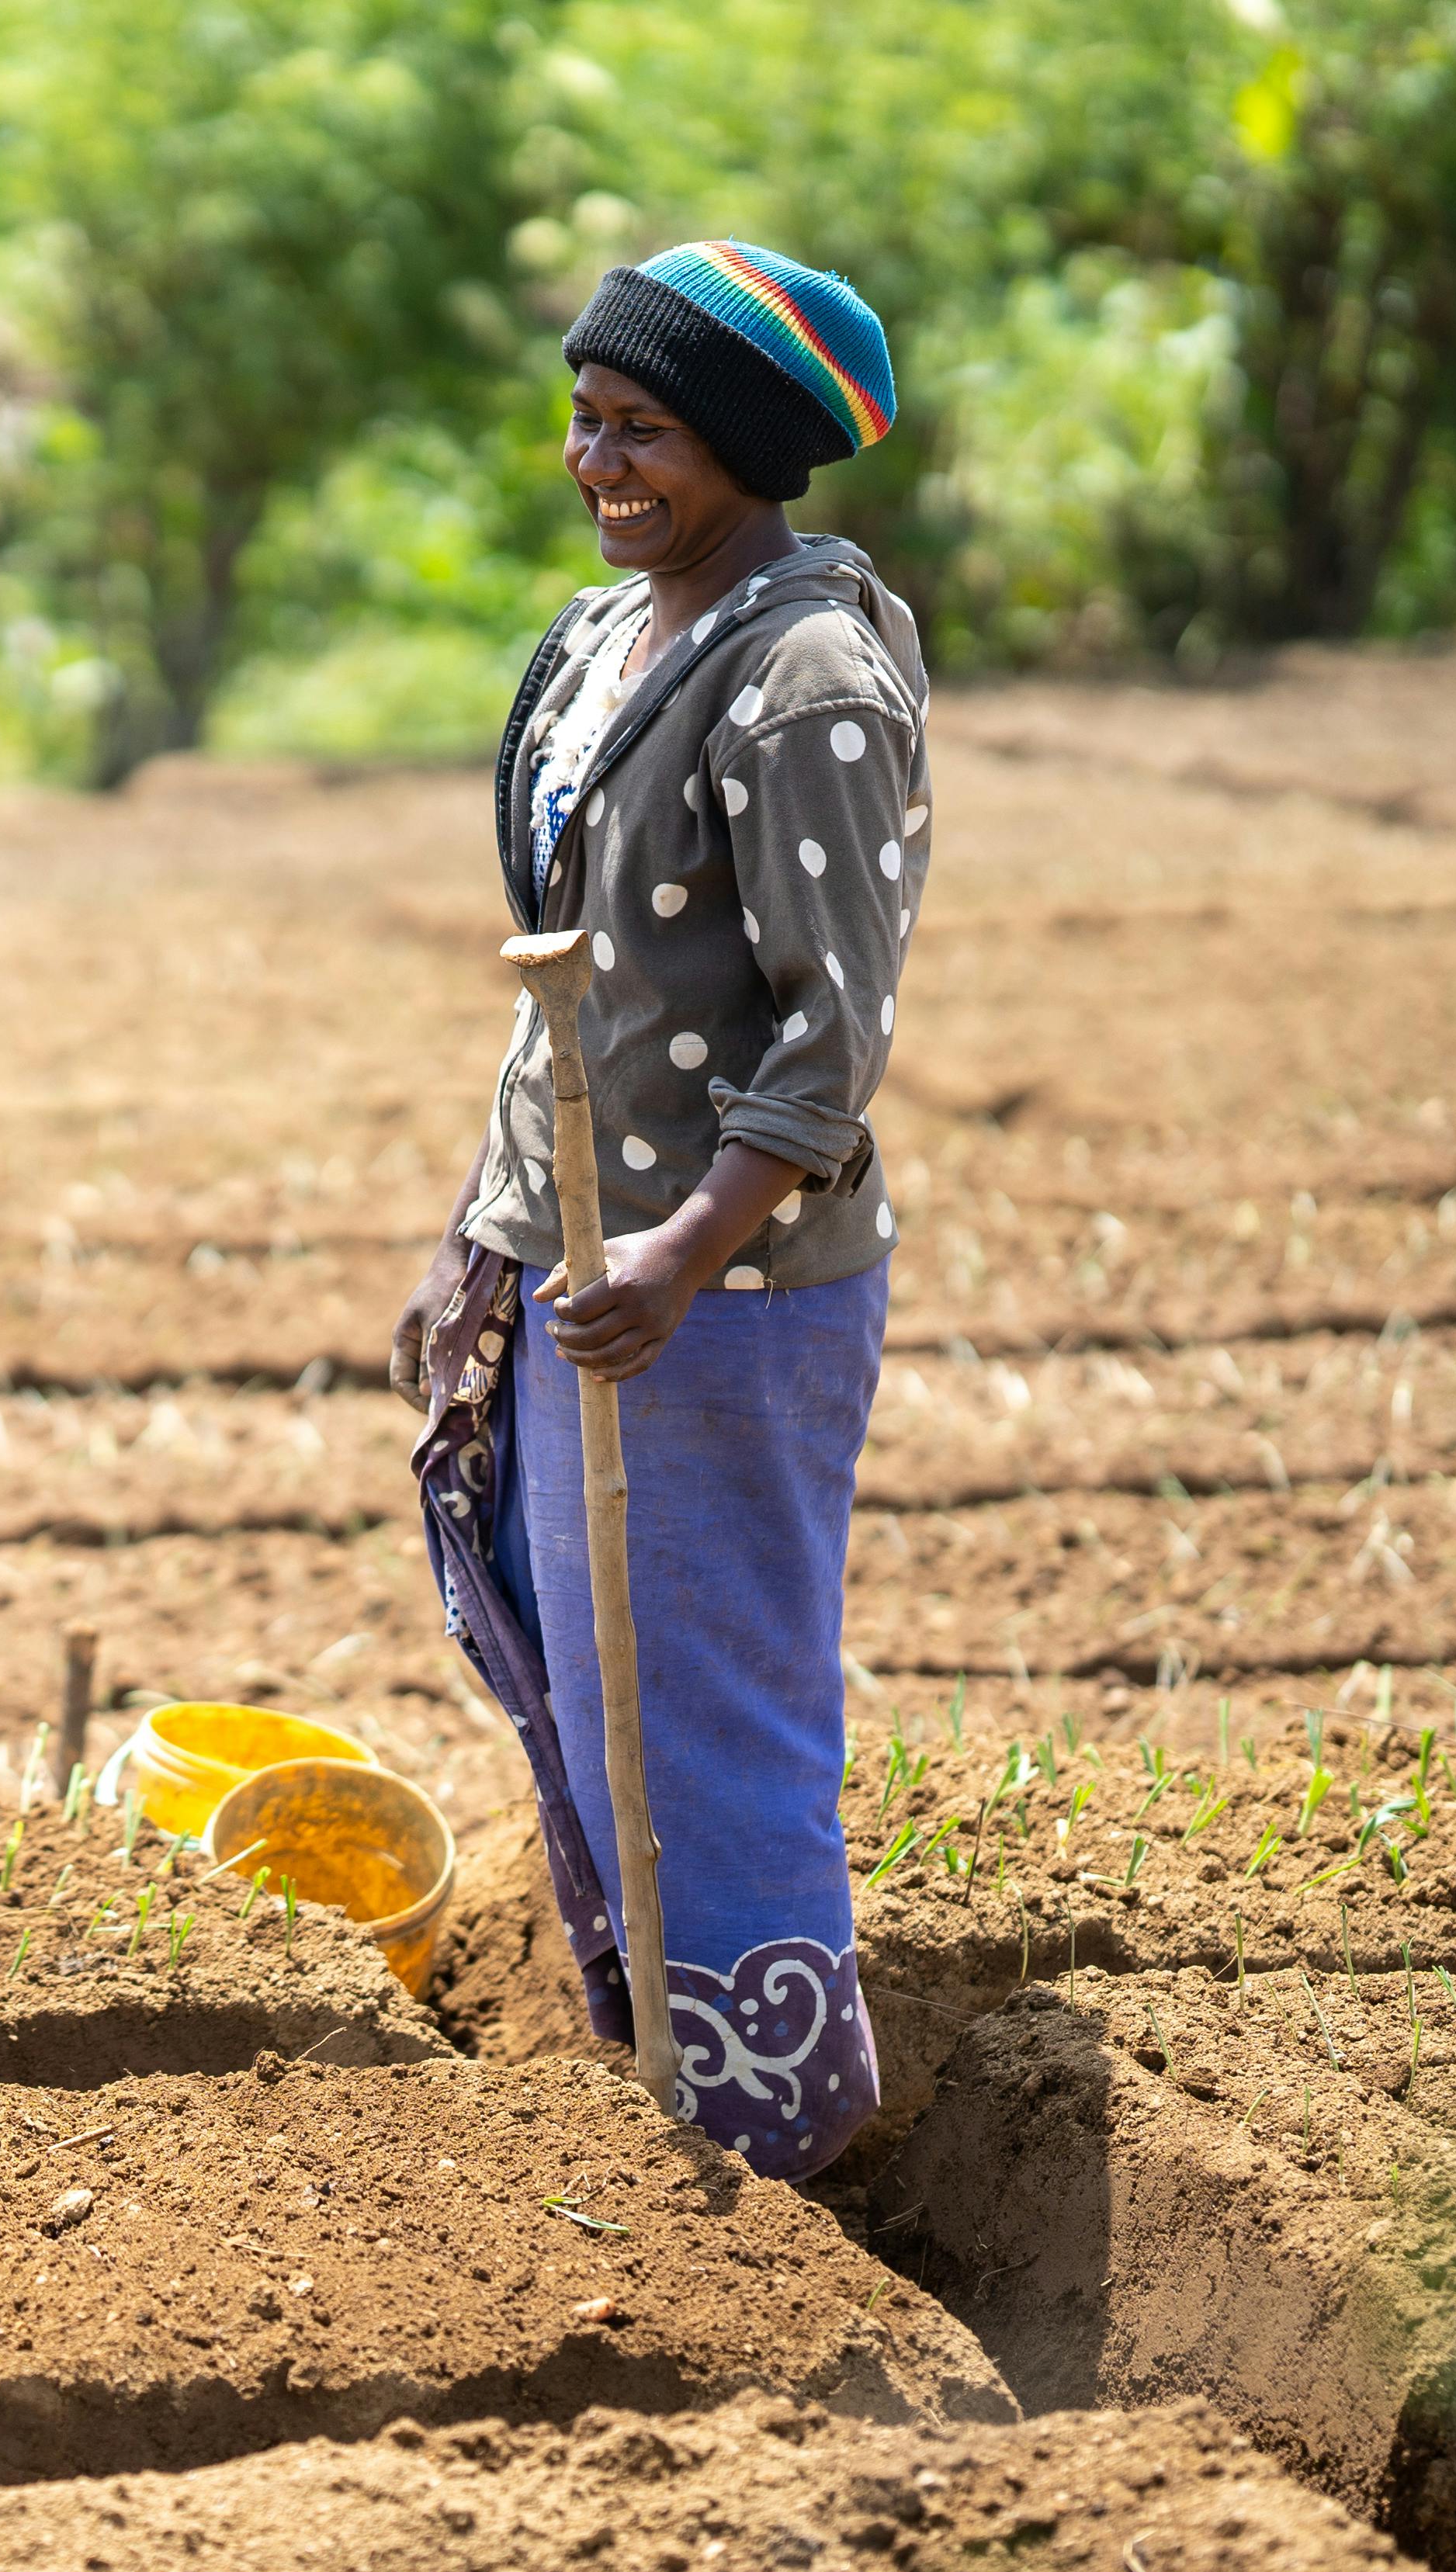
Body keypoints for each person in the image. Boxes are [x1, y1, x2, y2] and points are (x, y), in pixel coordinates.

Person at [393, 242, 929, 2182]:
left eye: (646, 429)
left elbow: (832, 1020)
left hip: (726, 1289)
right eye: (587, 416)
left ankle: (779, 2145)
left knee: (709, 1720)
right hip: (581, 1261)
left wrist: (684, 1247)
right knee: (592, 1684)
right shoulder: (600, 636)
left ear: (754, 449)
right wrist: (495, 1239)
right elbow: (580, 994)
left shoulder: (808, 675)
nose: (595, 457)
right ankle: (667, 2115)